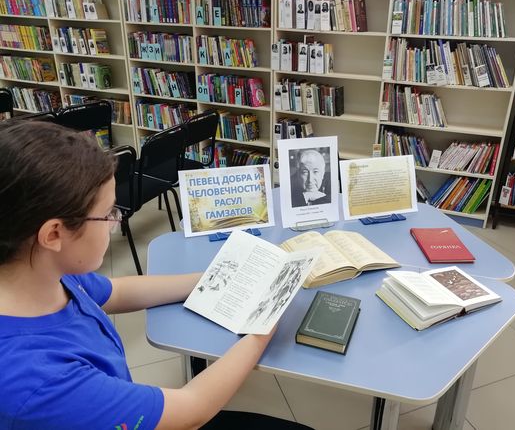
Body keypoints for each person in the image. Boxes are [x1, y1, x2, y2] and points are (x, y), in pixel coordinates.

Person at [0, 120, 314, 430]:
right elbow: (192, 410)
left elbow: (117, 292)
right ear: (53, 234)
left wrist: (215, 277)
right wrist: (263, 325)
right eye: (108, 213)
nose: (116, 221)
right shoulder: (37, 384)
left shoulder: (41, 273)